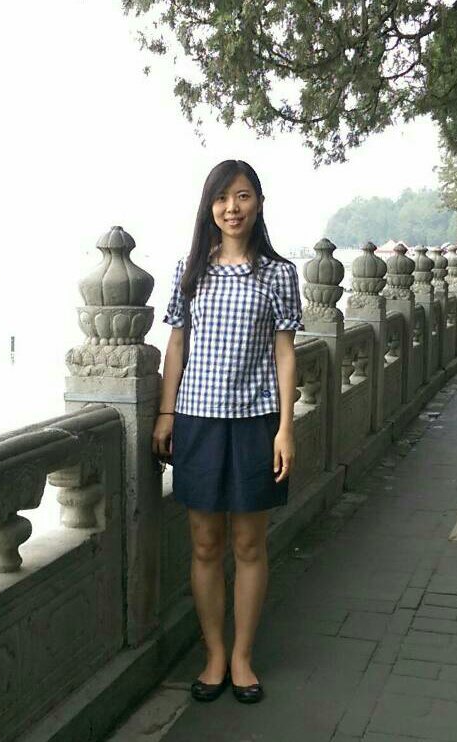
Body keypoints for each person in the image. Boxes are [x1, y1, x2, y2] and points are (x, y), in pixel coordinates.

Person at [152, 159, 303, 704]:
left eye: (242, 196)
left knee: (249, 543)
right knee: (205, 542)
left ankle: (242, 656)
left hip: (257, 421)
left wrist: (285, 428)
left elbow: (285, 354)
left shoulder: (278, 273)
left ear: (258, 202)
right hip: (197, 420)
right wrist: (166, 413)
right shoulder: (191, 270)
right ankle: (214, 653)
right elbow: (177, 344)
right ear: (209, 207)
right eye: (222, 198)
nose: (231, 208)